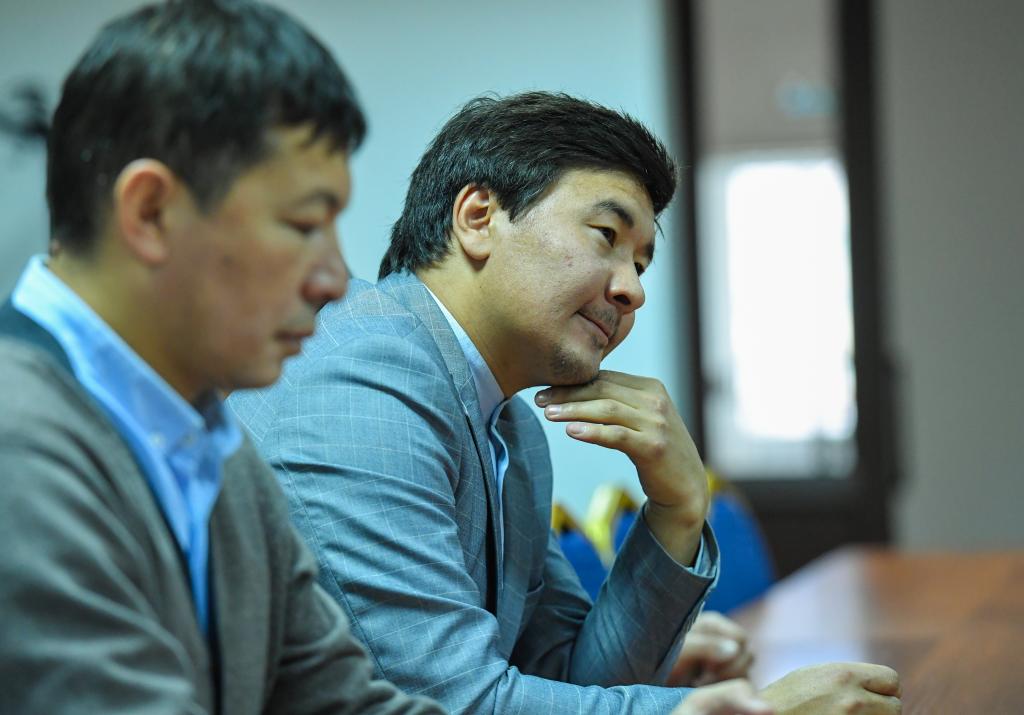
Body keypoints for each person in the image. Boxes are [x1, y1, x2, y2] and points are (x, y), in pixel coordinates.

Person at [229, 92, 902, 714]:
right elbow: (449, 702)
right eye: (606, 235)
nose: (632, 290)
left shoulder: (512, 428)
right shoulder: (363, 370)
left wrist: (677, 509)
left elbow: (578, 680)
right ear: (478, 218)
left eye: (640, 264)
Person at [0, 1, 444, 713]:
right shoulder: (19, 441)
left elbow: (342, 702)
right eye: (303, 223)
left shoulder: (215, 448)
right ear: (150, 212)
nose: (336, 279)